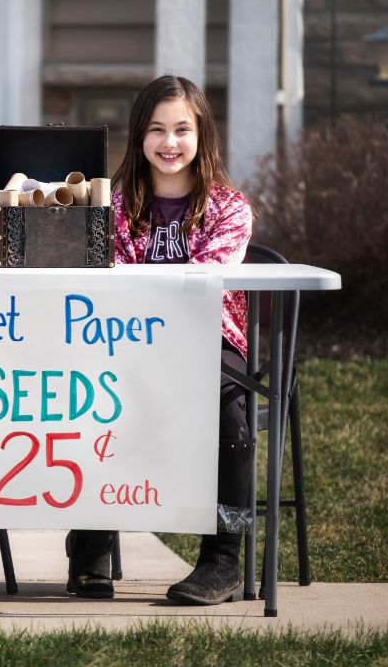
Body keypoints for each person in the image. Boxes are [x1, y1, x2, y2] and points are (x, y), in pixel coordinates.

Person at [65, 75, 254, 605]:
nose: (169, 143)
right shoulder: (113, 206)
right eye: (156, 130)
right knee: (87, 391)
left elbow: (206, 278)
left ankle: (223, 559)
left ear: (202, 136)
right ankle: (90, 546)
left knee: (231, 407)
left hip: (207, 338)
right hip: (120, 337)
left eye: (181, 130)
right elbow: (107, 273)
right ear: (138, 136)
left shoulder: (229, 208)